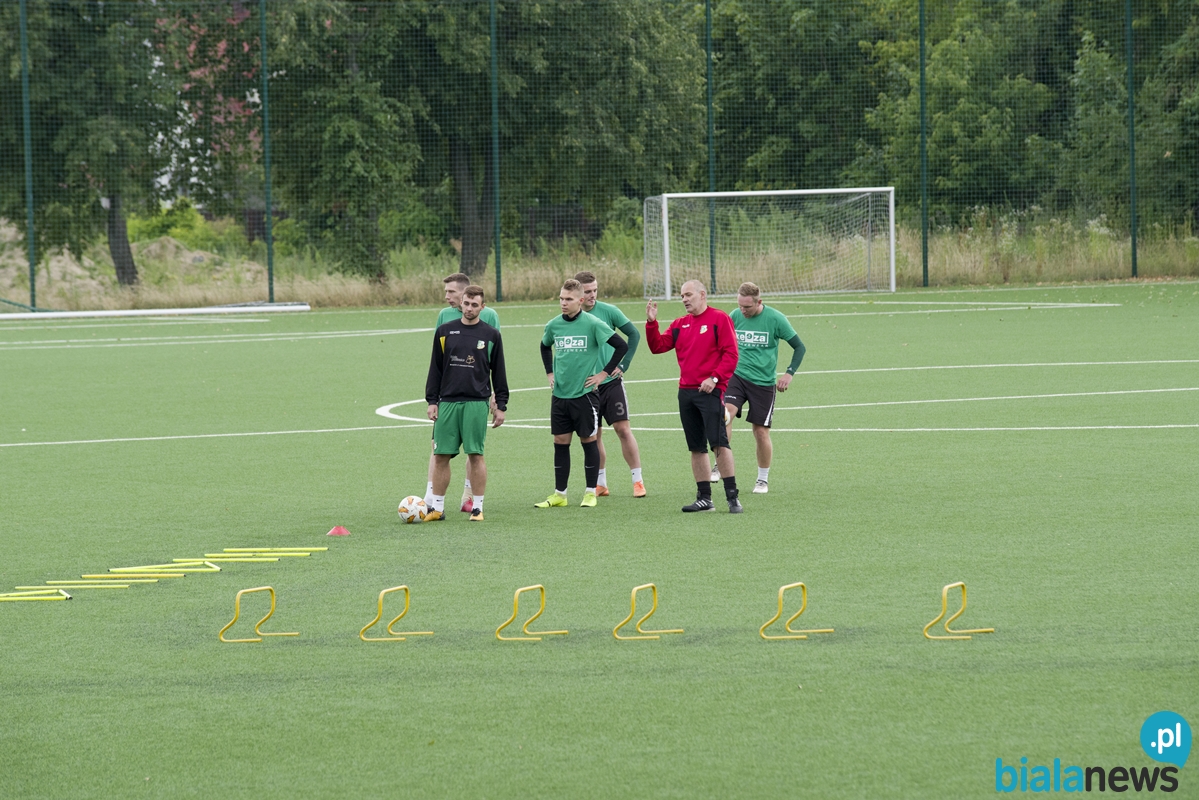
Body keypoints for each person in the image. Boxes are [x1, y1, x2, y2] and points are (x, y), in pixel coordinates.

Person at [645, 280, 742, 513]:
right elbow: (658, 346)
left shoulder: (719, 319)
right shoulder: (680, 324)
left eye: (688, 295)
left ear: (702, 294)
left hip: (710, 391)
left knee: (719, 443)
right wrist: (651, 323)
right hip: (686, 393)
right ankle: (704, 498)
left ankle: (732, 497)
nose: (684, 299)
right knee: (696, 447)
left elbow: (731, 354)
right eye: (682, 296)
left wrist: (715, 379)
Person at [535, 279, 628, 509]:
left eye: (568, 299)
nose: (563, 303)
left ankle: (590, 492)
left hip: (585, 395)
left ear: (581, 300)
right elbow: (544, 346)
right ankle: (560, 494)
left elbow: (621, 346)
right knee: (560, 442)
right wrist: (549, 373)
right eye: (561, 298)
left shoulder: (593, 323)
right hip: (560, 395)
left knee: (588, 440)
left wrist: (603, 374)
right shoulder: (554, 325)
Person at [711, 282, 806, 494]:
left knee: (760, 432)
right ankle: (719, 464)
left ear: (759, 302)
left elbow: (799, 347)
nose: (742, 311)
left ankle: (762, 479)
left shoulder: (776, 319)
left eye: (747, 307)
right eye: (740, 306)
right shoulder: (735, 316)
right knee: (725, 414)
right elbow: (720, 344)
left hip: (763, 382)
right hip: (736, 376)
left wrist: (789, 373)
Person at [424, 285, 508, 522]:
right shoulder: (444, 332)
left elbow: (499, 373)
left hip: (476, 403)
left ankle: (477, 508)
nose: (469, 308)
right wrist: (432, 400)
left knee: (475, 455)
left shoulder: (491, 335)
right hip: (448, 402)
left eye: (474, 305)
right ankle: (437, 508)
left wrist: (501, 405)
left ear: (483, 306)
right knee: (441, 455)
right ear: (461, 303)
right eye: (466, 303)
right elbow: (435, 369)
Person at [574, 271, 646, 498]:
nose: (592, 295)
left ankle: (638, 481)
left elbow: (633, 335)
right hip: (587, 386)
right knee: (594, 436)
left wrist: (624, 364)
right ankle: (601, 484)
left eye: (595, 290)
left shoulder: (609, 311)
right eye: (588, 291)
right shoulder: (571, 317)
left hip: (611, 383)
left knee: (623, 429)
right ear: (578, 293)